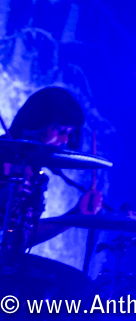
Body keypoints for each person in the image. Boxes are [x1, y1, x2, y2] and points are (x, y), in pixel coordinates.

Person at [2, 86, 103, 253]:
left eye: (69, 133)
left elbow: (21, 239)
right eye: (60, 130)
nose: (64, 140)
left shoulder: (36, 177)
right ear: (36, 122)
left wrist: (76, 214)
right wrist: (6, 193)